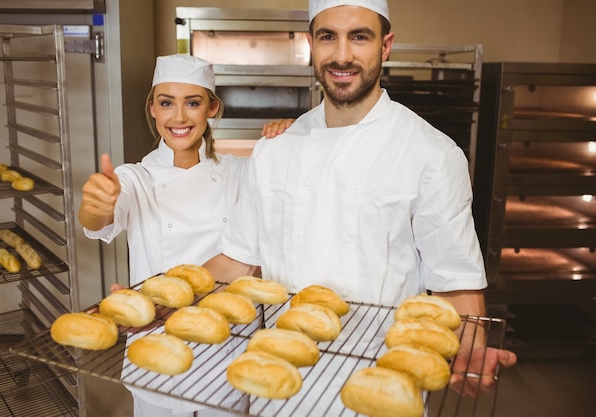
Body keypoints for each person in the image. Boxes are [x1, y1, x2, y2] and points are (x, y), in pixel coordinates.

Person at [203, 0, 517, 400]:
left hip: (382, 384)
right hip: (279, 385)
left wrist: (470, 345)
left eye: (359, 37)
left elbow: (455, 285)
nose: (342, 56)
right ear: (310, 44)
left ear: (385, 46)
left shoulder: (431, 154)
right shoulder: (274, 150)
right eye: (328, 37)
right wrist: (158, 298)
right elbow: (237, 261)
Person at [78, 54, 248, 417]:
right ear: (153, 109)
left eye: (193, 103)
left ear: (212, 108)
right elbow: (96, 221)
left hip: (224, 351)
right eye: (167, 103)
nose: (179, 117)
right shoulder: (134, 177)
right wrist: (96, 202)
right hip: (155, 350)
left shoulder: (239, 173)